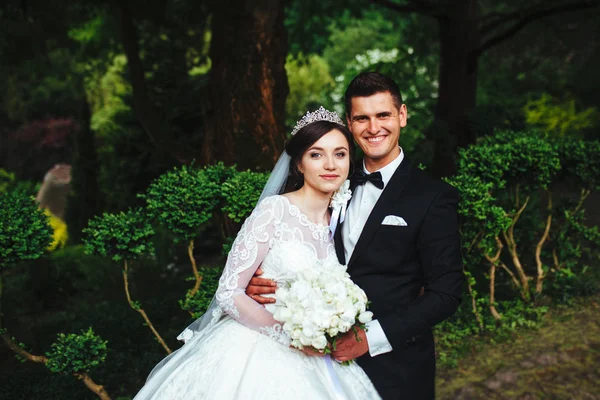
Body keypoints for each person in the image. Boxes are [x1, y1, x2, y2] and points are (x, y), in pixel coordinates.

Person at [134, 109, 382, 399]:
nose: (329, 164)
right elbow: (229, 290)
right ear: (299, 164)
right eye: (316, 155)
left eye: (339, 154)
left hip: (324, 356)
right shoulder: (274, 211)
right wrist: (291, 336)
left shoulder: (342, 217)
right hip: (254, 349)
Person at [247, 72, 464, 399]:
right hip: (312, 364)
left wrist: (369, 338)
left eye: (383, 115)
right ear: (349, 123)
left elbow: (446, 292)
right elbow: (291, 239)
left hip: (394, 366)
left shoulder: (433, 197)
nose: (373, 128)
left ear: (402, 115)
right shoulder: (330, 181)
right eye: (362, 118)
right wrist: (261, 283)